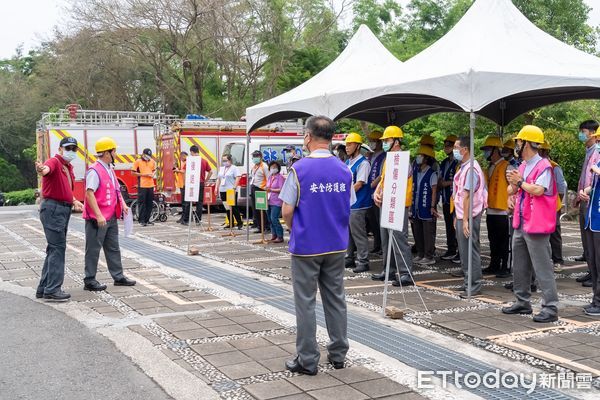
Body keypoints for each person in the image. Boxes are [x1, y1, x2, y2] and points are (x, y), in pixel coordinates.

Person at [279, 115, 353, 375]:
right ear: (331, 138)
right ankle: (339, 354)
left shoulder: (299, 170)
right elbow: (349, 204)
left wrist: (293, 229)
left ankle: (308, 360)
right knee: (336, 300)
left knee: (306, 302)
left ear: (308, 136)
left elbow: (287, 210)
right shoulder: (345, 170)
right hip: (336, 245)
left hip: (306, 247)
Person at [502, 125, 559, 323]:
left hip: (537, 223)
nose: (516, 145)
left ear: (526, 143)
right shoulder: (523, 165)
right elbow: (511, 189)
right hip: (521, 221)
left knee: (542, 266)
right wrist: (513, 188)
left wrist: (519, 183)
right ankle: (522, 301)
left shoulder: (545, 166)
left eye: (518, 141)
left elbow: (538, 190)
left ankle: (550, 307)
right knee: (519, 264)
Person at [82, 137, 136, 291]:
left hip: (111, 215)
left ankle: (118, 277)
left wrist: (123, 204)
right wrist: (98, 215)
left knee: (113, 247)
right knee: (93, 249)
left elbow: (116, 189)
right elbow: (89, 193)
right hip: (97, 219)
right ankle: (89, 280)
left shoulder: (109, 169)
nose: (116, 153)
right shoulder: (94, 170)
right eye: (114, 151)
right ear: (107, 153)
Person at [35, 137, 83, 301]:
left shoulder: (67, 167)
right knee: (57, 248)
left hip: (61, 209)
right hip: (53, 209)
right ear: (60, 148)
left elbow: (65, 190)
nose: (71, 151)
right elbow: (45, 170)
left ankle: (44, 288)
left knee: (53, 248)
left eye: (74, 148)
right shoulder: (54, 162)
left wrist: (75, 200)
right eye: (68, 148)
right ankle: (52, 290)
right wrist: (41, 169)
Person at [371, 125, 414, 287]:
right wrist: (377, 192)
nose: (384, 143)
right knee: (386, 238)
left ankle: (405, 273)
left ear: (397, 141)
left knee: (399, 238)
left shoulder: (403, 160)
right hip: (386, 203)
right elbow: (383, 180)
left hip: (399, 204)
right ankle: (388, 270)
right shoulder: (388, 159)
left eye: (387, 140)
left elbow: (399, 183)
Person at [452, 136, 488, 298]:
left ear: (465, 149)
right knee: (464, 250)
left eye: (456, 147)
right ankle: (468, 282)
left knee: (470, 250)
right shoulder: (464, 167)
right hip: (463, 214)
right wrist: (458, 216)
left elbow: (467, 196)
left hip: (470, 215)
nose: (454, 150)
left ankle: (474, 285)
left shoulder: (471, 168)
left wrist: (465, 219)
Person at [481, 136, 513, 278]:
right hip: (491, 210)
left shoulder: (508, 166)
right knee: (493, 239)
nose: (486, 152)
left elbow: (514, 188)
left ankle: (505, 266)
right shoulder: (490, 167)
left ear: (496, 150)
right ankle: (494, 264)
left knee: (504, 241)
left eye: (488, 149)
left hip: (503, 211)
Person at [574, 120, 599, 285]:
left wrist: (587, 192)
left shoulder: (597, 152)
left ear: (591, 133)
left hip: (593, 201)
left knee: (594, 241)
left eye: (583, 131)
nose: (581, 135)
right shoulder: (589, 151)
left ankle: (594, 274)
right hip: (585, 198)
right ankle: (592, 271)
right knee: (587, 240)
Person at [343, 133, 372, 273]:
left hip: (359, 204)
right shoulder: (348, 162)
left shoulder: (364, 163)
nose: (347, 147)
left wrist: (344, 194)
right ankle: (349, 257)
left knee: (358, 233)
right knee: (348, 232)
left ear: (358, 146)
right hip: (348, 203)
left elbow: (359, 184)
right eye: (346, 144)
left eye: (350, 144)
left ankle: (363, 261)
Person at [540, 140, 567, 271]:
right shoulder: (536, 165)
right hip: (541, 206)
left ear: (545, 151)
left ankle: (558, 260)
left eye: (540, 150)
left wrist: (557, 201)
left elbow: (561, 188)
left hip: (552, 205)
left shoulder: (554, 167)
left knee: (554, 233)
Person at [581, 138, 600, 316]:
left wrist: (597, 171)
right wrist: (586, 191)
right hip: (592, 218)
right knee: (593, 261)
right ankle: (596, 299)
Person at [411, 145, 438, 265]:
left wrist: (432, 207)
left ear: (426, 158)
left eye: (420, 155)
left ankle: (429, 256)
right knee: (417, 231)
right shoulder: (416, 172)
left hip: (427, 208)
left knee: (428, 233)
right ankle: (420, 253)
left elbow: (434, 191)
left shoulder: (432, 173)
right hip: (416, 208)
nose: (418, 157)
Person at [438, 135, 459, 262]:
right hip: (446, 199)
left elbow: (456, 181)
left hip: (455, 200)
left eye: (449, 145)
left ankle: (458, 250)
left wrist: (447, 183)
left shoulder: (458, 162)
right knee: (448, 225)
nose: (446, 148)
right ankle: (451, 248)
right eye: (445, 145)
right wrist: (446, 183)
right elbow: (440, 181)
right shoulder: (444, 162)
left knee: (456, 225)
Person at [181, 145, 212, 225]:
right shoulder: (204, 161)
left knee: (188, 201)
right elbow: (210, 172)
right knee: (199, 202)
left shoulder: (189, 161)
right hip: (200, 183)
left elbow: (184, 171)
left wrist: (185, 183)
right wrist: (206, 180)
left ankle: (186, 220)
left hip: (191, 183)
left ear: (191, 152)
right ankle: (198, 221)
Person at [366, 131, 385, 254]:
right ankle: (377, 244)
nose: (372, 143)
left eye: (374, 141)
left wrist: (374, 184)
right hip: (369, 193)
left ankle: (382, 245)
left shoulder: (384, 156)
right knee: (372, 220)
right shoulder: (370, 156)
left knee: (379, 220)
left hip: (377, 192)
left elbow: (382, 174)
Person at [215, 154, 243, 229]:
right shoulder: (221, 168)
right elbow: (218, 179)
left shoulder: (234, 168)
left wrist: (234, 187)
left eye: (225, 160)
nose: (224, 162)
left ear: (230, 160)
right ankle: (230, 223)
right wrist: (216, 188)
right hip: (222, 190)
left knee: (233, 207)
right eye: (223, 160)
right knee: (227, 207)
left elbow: (238, 177)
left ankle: (239, 223)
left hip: (231, 190)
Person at [132, 148, 156, 226]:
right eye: (147, 155)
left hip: (151, 185)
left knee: (149, 203)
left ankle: (147, 220)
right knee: (142, 203)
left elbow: (154, 170)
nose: (148, 157)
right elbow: (133, 173)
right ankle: (141, 220)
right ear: (143, 154)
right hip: (142, 185)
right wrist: (144, 175)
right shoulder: (138, 162)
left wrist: (153, 174)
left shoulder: (152, 161)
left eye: (149, 156)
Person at [251, 150, 270, 233]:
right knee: (255, 209)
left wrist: (267, 189)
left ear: (260, 157)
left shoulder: (264, 166)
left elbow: (268, 178)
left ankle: (267, 226)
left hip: (261, 189)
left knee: (261, 209)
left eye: (256, 156)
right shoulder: (254, 166)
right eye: (253, 157)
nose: (255, 158)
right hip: (254, 187)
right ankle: (260, 227)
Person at [266, 161, 285, 243]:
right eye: (271, 167)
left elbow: (281, 189)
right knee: (270, 219)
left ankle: (280, 236)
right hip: (268, 200)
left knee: (274, 218)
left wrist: (271, 190)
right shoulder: (270, 177)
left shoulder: (280, 177)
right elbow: (267, 186)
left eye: (275, 167)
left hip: (276, 201)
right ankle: (274, 235)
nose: (273, 169)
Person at [174, 151, 188, 223]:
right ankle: (183, 217)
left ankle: (185, 217)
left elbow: (184, 171)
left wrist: (177, 170)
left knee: (185, 202)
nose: (181, 158)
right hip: (181, 184)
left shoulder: (187, 162)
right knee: (183, 202)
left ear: (184, 156)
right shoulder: (182, 163)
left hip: (185, 184)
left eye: (182, 156)